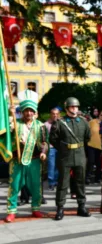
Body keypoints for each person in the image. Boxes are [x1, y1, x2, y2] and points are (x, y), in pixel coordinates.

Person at [4, 90, 49, 223]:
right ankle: (11, 211)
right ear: (22, 111)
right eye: (26, 110)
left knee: (35, 186)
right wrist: (8, 113)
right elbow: (4, 128)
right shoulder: (15, 123)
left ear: (34, 112)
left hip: (34, 160)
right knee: (14, 186)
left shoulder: (40, 126)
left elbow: (45, 142)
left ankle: (35, 208)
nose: (29, 113)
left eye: (31, 110)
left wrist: (43, 151)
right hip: (17, 160)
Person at [50, 97, 91, 221]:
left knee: (80, 182)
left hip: (80, 154)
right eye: (72, 107)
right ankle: (60, 208)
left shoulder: (84, 122)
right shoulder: (59, 122)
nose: (75, 109)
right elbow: (53, 139)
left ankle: (81, 206)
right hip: (65, 156)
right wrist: (63, 148)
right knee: (63, 183)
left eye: (76, 107)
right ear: (67, 108)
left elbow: (87, 137)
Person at [87, 110, 102, 184]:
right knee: (90, 162)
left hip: (101, 146)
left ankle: (98, 178)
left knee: (99, 164)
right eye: (101, 115)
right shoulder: (92, 122)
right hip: (91, 145)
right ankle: (87, 178)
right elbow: (86, 132)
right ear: (98, 115)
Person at [44, 107, 60, 190]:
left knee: (58, 165)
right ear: (50, 114)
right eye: (53, 114)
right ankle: (51, 182)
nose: (55, 115)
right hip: (51, 148)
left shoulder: (61, 123)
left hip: (60, 148)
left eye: (57, 114)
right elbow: (44, 138)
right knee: (51, 165)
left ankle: (56, 181)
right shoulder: (46, 124)